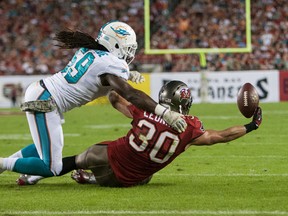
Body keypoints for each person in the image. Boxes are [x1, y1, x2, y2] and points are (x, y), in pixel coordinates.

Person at [0, 21, 187, 185]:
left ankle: (19, 171)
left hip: (43, 93)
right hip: (45, 98)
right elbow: (130, 94)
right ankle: (3, 163)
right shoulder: (111, 64)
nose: (130, 53)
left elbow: (97, 72)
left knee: (46, 147)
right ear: (115, 44)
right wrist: (164, 112)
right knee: (52, 167)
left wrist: (128, 74)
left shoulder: (92, 51)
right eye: (128, 47)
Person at [57, 80, 262, 187]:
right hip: (130, 180)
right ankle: (92, 179)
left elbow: (114, 98)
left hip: (106, 160)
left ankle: (42, 172)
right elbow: (220, 136)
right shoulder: (190, 128)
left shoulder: (145, 111)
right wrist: (252, 125)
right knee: (146, 176)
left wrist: (124, 79)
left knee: (81, 157)